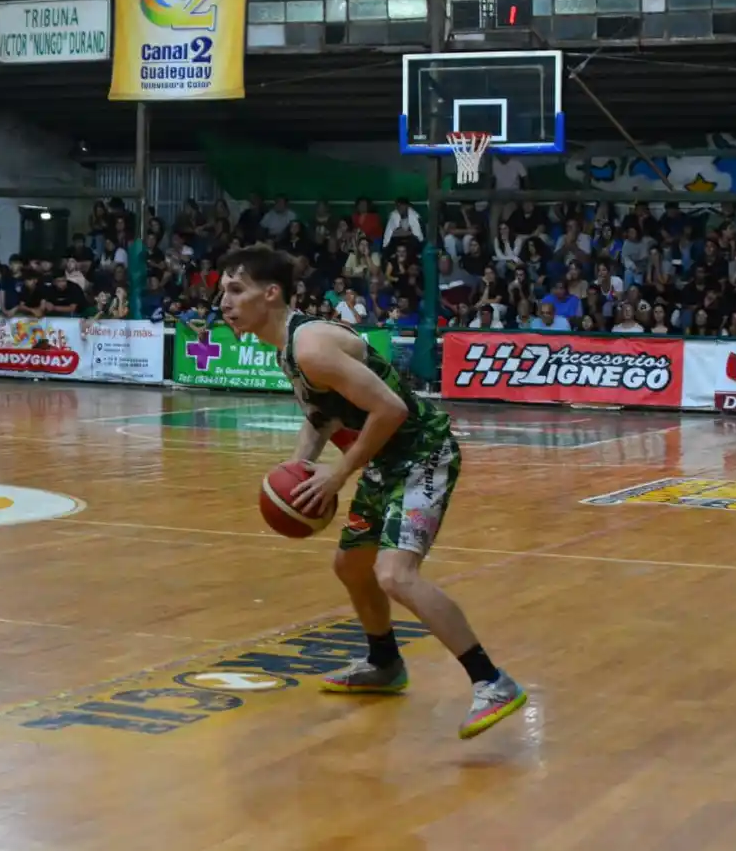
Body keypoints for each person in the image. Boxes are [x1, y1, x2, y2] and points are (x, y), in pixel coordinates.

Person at [218, 244, 525, 740]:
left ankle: (492, 681)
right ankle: (384, 663)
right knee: (351, 566)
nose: (225, 302)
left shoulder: (310, 347)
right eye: (222, 292)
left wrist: (337, 475)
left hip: (423, 452)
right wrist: (301, 468)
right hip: (384, 459)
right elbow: (323, 417)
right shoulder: (288, 350)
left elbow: (392, 410)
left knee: (395, 575)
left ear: (270, 293)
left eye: (236, 290)